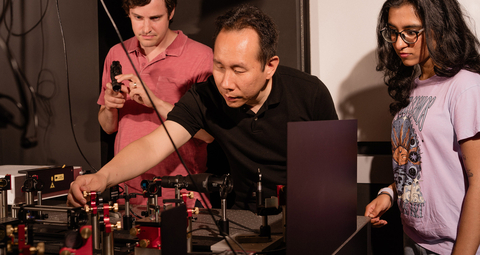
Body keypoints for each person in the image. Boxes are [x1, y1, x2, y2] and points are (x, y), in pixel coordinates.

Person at [69, 4, 338, 210]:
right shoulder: (205, 95)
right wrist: (102, 178)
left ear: (270, 66)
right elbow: (153, 145)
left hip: (304, 214)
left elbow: (334, 172)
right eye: (219, 67)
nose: (225, 82)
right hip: (239, 214)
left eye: (238, 70)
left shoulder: (309, 93)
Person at [364, 0, 480, 254]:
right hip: (414, 241)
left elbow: (479, 182)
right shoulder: (413, 86)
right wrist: (389, 194)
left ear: (440, 27)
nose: (398, 42)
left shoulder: (466, 87)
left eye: (411, 32)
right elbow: (425, 164)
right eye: (393, 32)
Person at [97, 0, 214, 207]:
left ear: (171, 12)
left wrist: (156, 103)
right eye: (138, 18)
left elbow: (208, 134)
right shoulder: (117, 53)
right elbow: (108, 127)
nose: (146, 28)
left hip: (182, 191)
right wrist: (110, 106)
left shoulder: (201, 57)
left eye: (155, 18)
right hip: (128, 192)